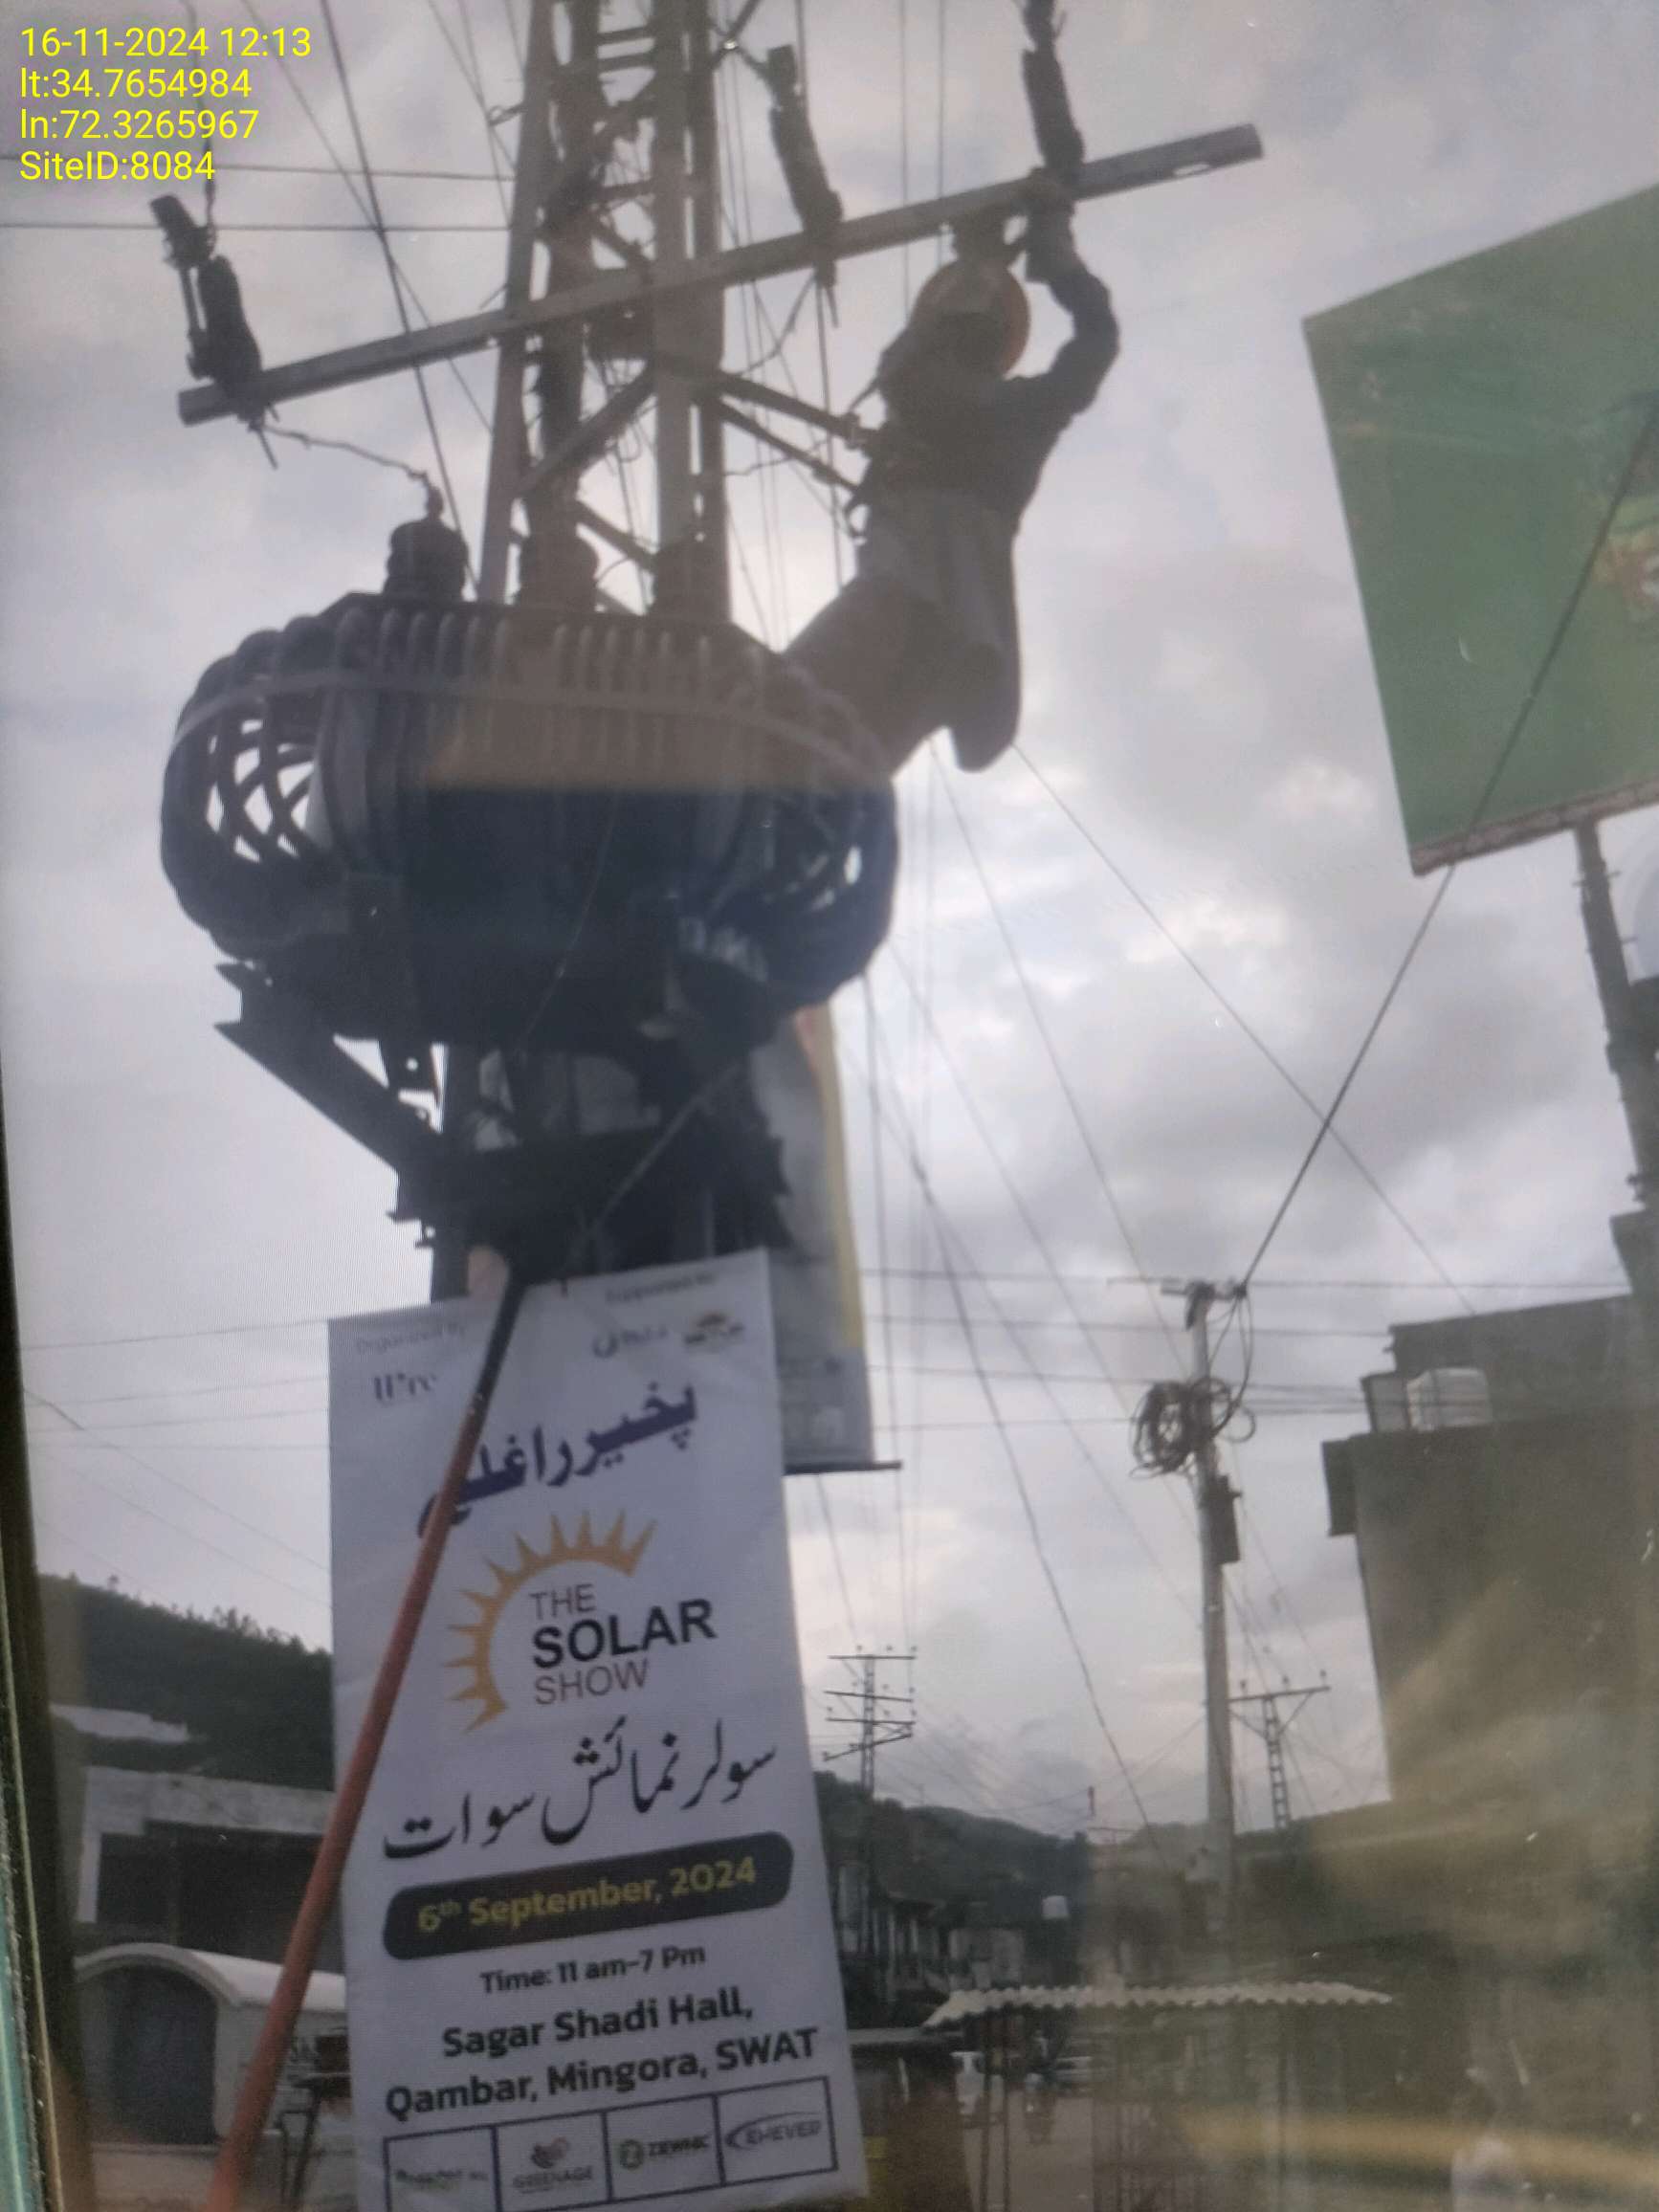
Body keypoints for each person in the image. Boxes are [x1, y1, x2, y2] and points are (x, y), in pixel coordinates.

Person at [785, 185, 1119, 779]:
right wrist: (1045, 257)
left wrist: (995, 259)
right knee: (826, 745)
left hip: (924, 617)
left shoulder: (952, 396)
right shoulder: (1006, 406)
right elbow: (1097, 337)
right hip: (949, 627)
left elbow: (907, 367)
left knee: (809, 729)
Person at [1449, 2076, 1527, 2209]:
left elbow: (1518, 2198)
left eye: (1461, 2114)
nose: (1455, 2120)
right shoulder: (1459, 2155)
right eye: (1455, 2114)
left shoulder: (1499, 2153)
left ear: (1475, 2117)